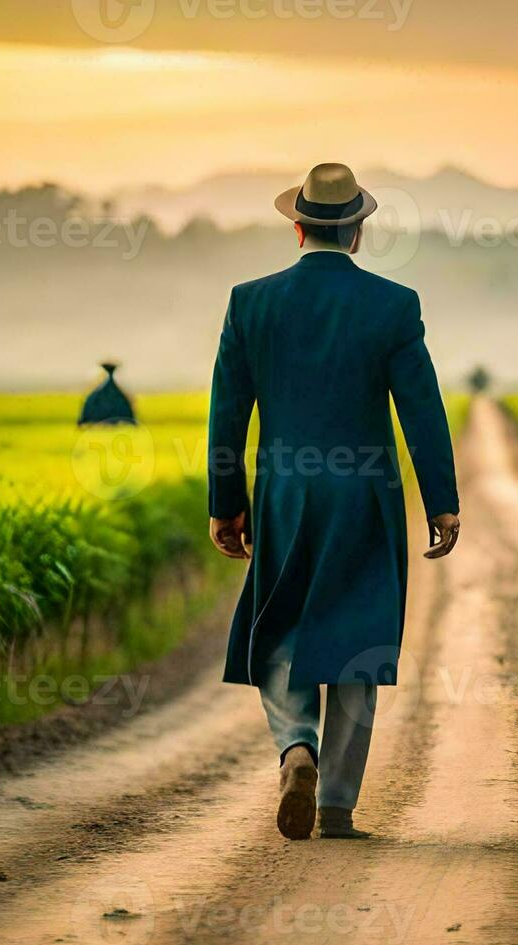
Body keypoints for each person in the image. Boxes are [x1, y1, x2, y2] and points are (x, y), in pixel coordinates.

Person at [207, 163, 461, 841]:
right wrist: (442, 500)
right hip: (364, 497)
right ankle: (338, 805)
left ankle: (296, 748)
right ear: (357, 230)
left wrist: (225, 504)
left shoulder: (249, 302)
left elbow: (227, 414)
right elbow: (422, 411)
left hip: (285, 495)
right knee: (356, 639)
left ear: (297, 227)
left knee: (281, 627)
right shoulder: (393, 305)